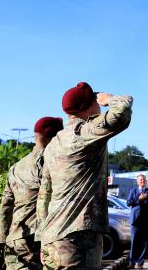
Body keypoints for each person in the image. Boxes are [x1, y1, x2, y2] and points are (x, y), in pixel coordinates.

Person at [37, 82, 133, 270]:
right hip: (78, 238)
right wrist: (108, 99)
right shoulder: (85, 133)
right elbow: (121, 110)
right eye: (95, 100)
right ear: (89, 105)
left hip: (52, 236)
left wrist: (42, 238)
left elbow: (44, 194)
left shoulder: (53, 144)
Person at [0, 116, 64, 270]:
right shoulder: (50, 162)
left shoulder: (16, 167)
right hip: (36, 240)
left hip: (14, 238)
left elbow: (5, 207)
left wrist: (3, 238)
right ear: (53, 137)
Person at [127, 174, 148, 269]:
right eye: (141, 180)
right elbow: (128, 203)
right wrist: (139, 199)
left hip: (146, 221)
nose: (142, 181)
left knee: (145, 243)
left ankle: (140, 263)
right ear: (137, 181)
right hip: (135, 220)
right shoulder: (133, 191)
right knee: (134, 242)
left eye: (144, 180)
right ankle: (132, 262)